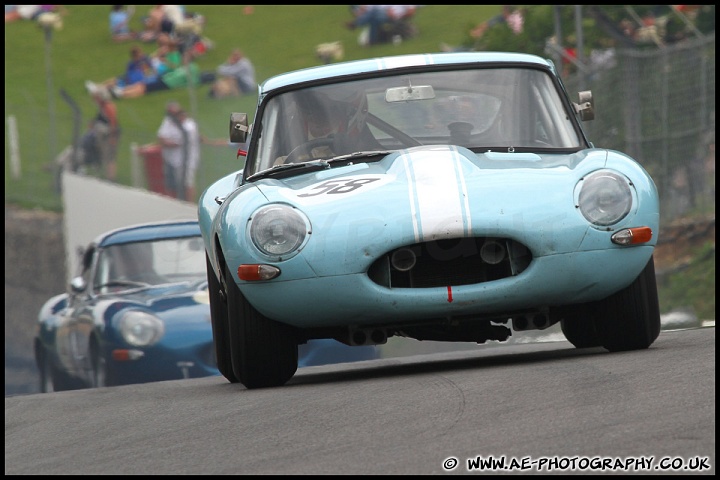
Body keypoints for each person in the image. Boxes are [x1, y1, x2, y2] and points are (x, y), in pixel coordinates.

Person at [156, 101, 200, 201]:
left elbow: (180, 142)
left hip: (186, 160)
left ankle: (188, 204)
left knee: (187, 183)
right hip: (170, 160)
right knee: (172, 184)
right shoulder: (168, 121)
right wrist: (167, 143)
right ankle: (175, 202)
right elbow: (161, 138)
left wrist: (169, 143)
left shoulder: (189, 126)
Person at [80, 87, 121, 181]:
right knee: (105, 155)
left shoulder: (108, 107)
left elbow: (113, 122)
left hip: (110, 134)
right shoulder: (102, 107)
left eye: (96, 98)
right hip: (104, 135)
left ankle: (111, 178)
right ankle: (106, 176)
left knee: (110, 156)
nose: (94, 100)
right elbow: (99, 119)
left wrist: (112, 137)